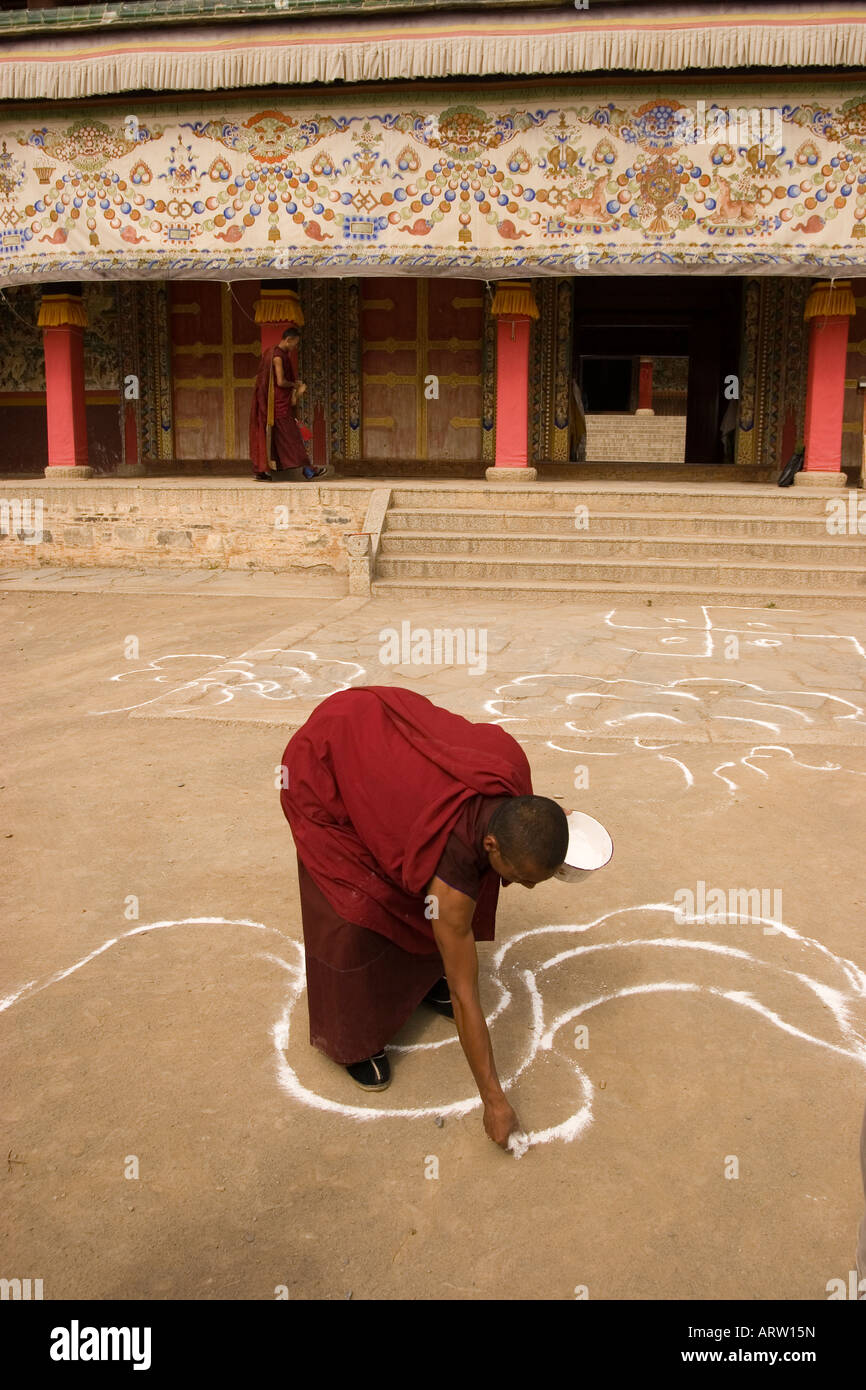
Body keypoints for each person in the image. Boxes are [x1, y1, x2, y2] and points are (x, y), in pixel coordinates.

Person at [279, 686, 571, 1149]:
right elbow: (465, 995)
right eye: (520, 876)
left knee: (422, 900)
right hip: (322, 769)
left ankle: (414, 984)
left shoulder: (512, 772)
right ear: (492, 845)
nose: (523, 887)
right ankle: (352, 1041)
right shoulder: (451, 877)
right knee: (355, 909)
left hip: (380, 746)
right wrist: (494, 1101)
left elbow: (539, 827)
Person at [249, 325, 328, 481]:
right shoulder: (278, 357)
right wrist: (295, 385)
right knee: (293, 437)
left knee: (276, 438)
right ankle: (309, 469)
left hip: (277, 404)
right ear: (288, 339)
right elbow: (280, 381)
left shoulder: (276, 354)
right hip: (279, 406)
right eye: (295, 343)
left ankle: (261, 471)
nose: (295, 347)